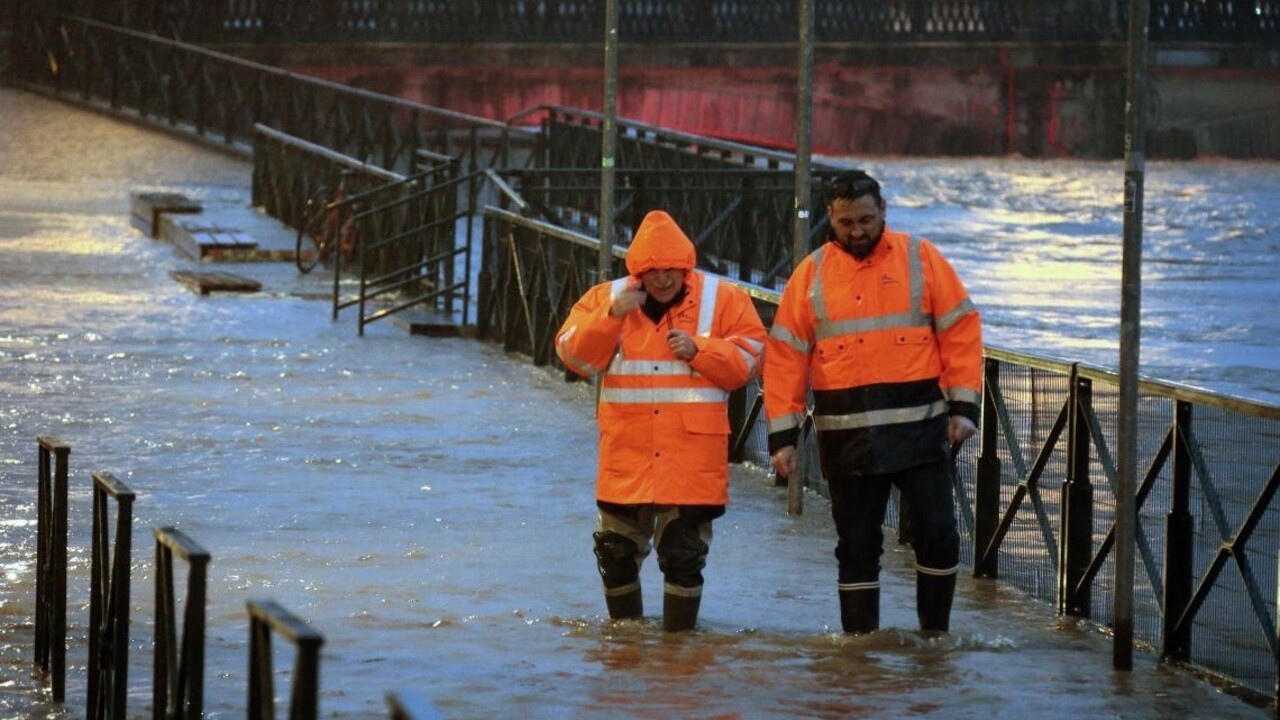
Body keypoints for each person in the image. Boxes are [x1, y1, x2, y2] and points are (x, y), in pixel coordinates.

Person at [763, 170, 982, 634]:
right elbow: (785, 357)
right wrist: (783, 438)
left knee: (940, 536)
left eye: (865, 219)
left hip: (920, 431)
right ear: (831, 217)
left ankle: (933, 640)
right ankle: (860, 654)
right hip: (848, 439)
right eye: (846, 223)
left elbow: (959, 330)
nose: (857, 231)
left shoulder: (920, 258)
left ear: (884, 212)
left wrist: (964, 406)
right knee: (857, 548)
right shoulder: (812, 274)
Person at [556, 209, 767, 632]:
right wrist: (610, 317)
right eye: (654, 272)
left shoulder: (722, 299)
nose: (664, 279)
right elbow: (574, 357)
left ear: (686, 267)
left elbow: (752, 360)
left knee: (684, 556)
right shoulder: (607, 298)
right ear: (637, 272)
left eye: (672, 270)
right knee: (615, 553)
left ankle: (678, 654)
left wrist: (700, 351)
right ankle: (625, 647)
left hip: (691, 458)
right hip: (628, 455)